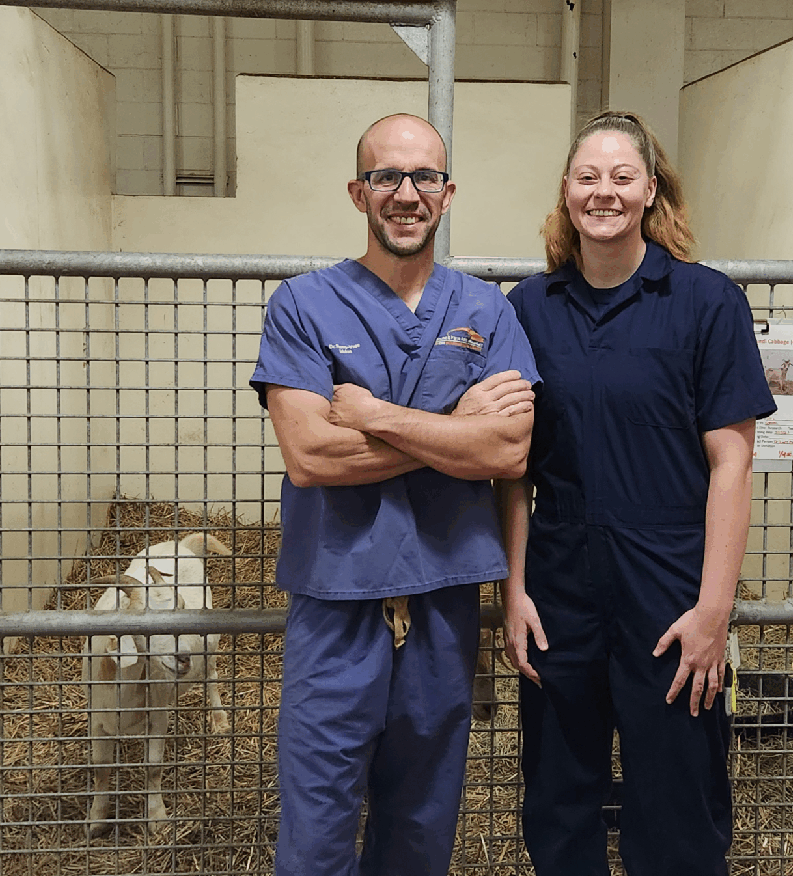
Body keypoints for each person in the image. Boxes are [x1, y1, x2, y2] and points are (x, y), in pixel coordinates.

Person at [250, 113, 540, 876]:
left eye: (424, 178)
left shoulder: (485, 310)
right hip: (336, 600)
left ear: (447, 194)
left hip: (446, 604)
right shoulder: (304, 305)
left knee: (420, 828)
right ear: (358, 192)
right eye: (387, 176)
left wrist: (378, 418)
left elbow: (508, 447)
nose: (405, 193)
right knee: (316, 831)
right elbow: (311, 454)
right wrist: (454, 434)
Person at [498, 111, 777, 876]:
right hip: (559, 585)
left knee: (677, 803)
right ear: (566, 190)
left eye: (623, 177)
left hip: (669, 589)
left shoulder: (706, 303)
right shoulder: (526, 309)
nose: (605, 192)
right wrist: (514, 589)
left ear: (651, 190)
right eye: (588, 176)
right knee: (558, 800)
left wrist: (714, 610)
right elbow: (512, 469)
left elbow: (731, 464)